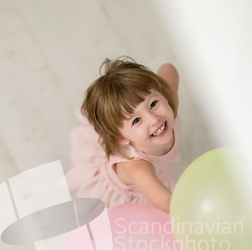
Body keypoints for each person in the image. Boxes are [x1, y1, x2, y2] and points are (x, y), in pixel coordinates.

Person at [65, 57, 181, 214]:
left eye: (153, 104)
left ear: (162, 94)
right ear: (120, 138)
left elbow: (168, 68)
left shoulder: (168, 101)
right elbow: (167, 203)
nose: (154, 119)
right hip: (124, 195)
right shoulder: (138, 168)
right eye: (137, 120)